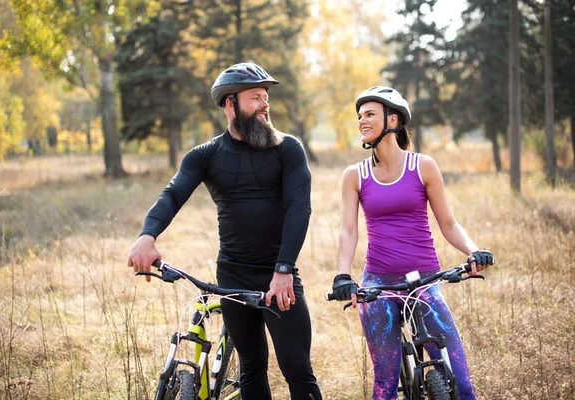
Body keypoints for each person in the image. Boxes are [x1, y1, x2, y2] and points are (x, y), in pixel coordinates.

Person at [128, 62, 322, 400]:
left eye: (266, 98)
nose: (264, 105)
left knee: (297, 368)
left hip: (280, 274)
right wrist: (147, 235)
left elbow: (299, 208)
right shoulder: (206, 156)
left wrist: (283, 269)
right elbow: (172, 194)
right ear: (229, 104)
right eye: (255, 98)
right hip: (233, 274)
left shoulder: (288, 149)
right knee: (251, 366)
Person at [329, 86, 495, 400]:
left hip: (424, 281)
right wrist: (342, 276)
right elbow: (348, 231)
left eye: (369, 115)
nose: (362, 121)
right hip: (377, 284)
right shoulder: (355, 175)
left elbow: (448, 223)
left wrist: (474, 250)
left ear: (392, 119)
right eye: (359, 116)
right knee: (386, 384)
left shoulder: (423, 166)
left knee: (461, 383)